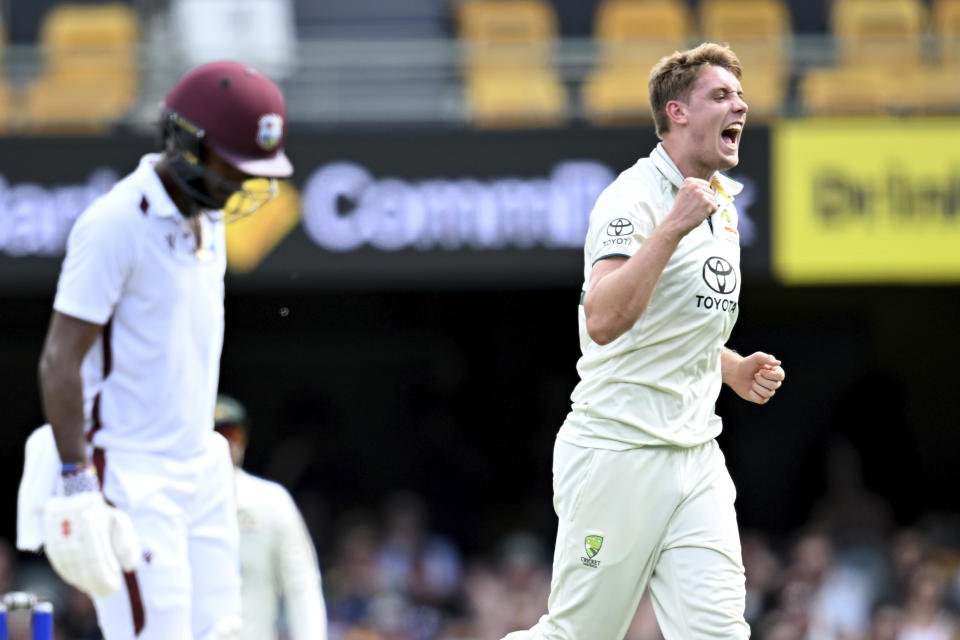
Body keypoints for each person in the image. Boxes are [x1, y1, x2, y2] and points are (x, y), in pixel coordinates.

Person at [501, 42, 786, 640]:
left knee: (720, 632)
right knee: (578, 634)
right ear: (677, 113)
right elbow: (603, 318)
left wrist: (729, 367)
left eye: (740, 94)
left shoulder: (721, 204)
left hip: (696, 454)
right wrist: (672, 227)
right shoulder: (633, 197)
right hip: (619, 451)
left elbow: (669, 328)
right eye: (721, 95)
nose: (742, 104)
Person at [34, 60, 293, 640]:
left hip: (200, 460)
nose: (242, 184)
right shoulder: (115, 223)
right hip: (130, 468)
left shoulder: (210, 218)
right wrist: (78, 481)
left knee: (224, 631)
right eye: (235, 164)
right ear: (186, 143)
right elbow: (59, 360)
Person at [213, 394, 329, 640]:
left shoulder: (271, 500)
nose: (227, 443)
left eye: (235, 433)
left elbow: (301, 584)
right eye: (218, 434)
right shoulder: (174, 502)